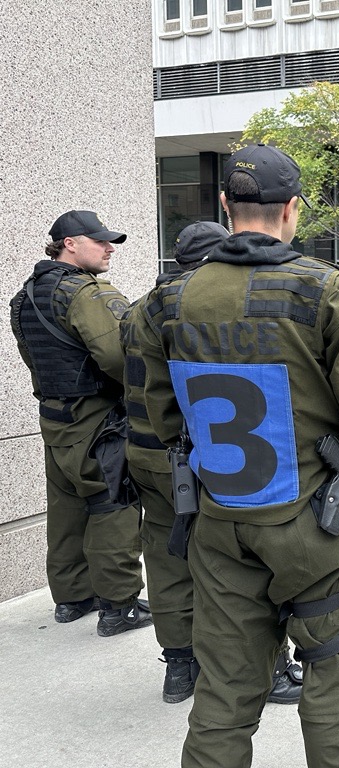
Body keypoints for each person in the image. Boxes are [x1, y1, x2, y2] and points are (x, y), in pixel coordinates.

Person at [136, 144, 339, 767]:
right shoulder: (330, 295)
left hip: (218, 525)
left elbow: (162, 418)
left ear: (224, 206)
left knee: (223, 692)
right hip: (314, 527)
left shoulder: (166, 302)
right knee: (336, 676)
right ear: (293, 210)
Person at [121, 221, 302, 706]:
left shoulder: (144, 306)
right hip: (201, 457)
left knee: (163, 558)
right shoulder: (206, 305)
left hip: (144, 453)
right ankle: (271, 667)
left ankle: (180, 666)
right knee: (239, 566)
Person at [10, 210, 150, 634]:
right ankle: (118, 606)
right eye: (100, 241)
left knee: (67, 508)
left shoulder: (26, 295)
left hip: (55, 417)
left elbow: (33, 359)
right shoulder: (84, 293)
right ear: (70, 243)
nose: (109, 248)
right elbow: (118, 359)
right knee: (113, 504)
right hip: (97, 418)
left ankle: (72, 599)